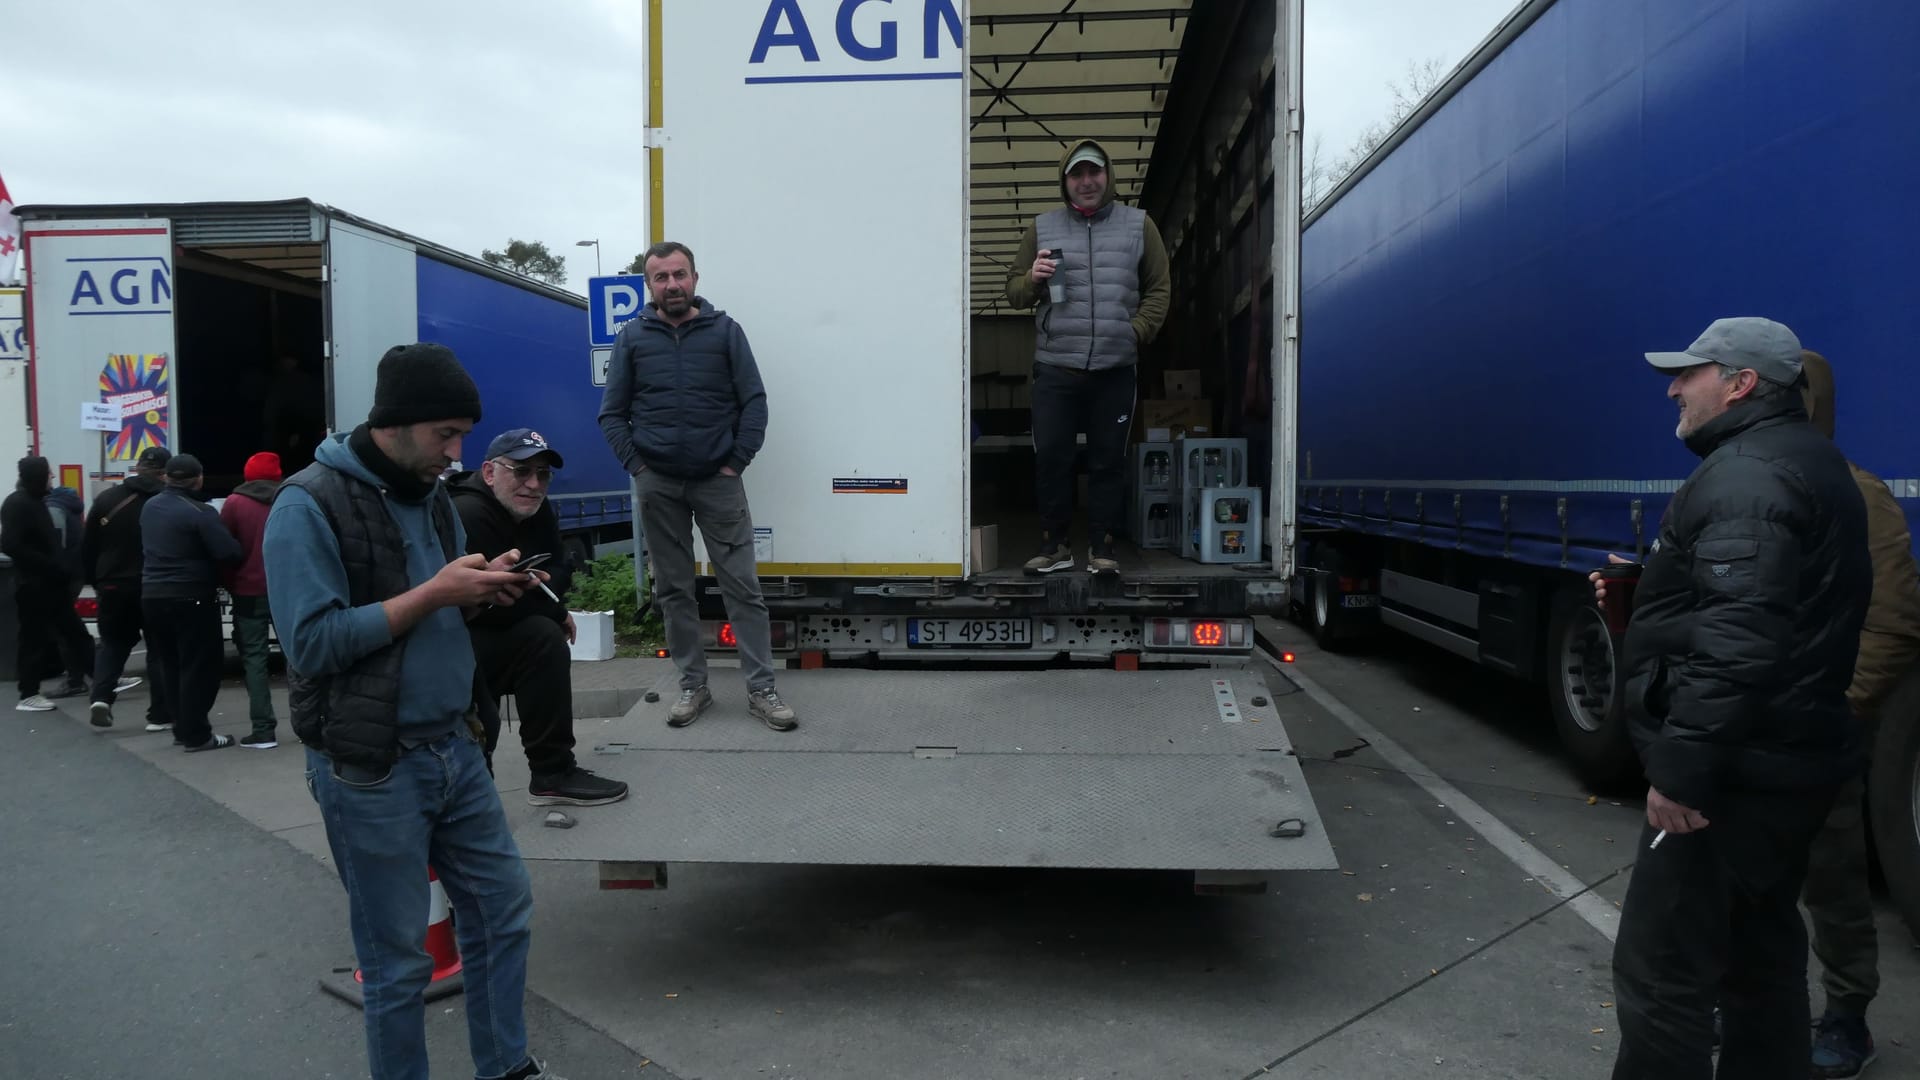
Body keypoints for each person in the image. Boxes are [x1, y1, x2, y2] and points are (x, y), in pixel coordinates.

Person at [264, 342, 566, 1080]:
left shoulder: (434, 499)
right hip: (371, 768)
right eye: (445, 435)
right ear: (395, 425)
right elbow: (311, 643)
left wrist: (486, 587)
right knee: (398, 963)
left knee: (503, 915)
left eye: (463, 434)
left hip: (454, 748)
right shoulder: (307, 505)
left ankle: (505, 1066)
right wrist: (436, 594)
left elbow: (438, 610)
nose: (457, 454)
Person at [1594, 317, 1870, 1079]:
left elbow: (1741, 637)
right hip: (1784, 767)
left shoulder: (1748, 475)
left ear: (1742, 383)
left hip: (1736, 776)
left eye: (1691, 373)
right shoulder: (1806, 461)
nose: (1675, 388)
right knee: (1759, 962)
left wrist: (1683, 769)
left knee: (1662, 975)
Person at [597, 240, 796, 732]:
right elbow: (612, 414)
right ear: (649, 286)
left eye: (679, 274)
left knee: (743, 589)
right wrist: (639, 468)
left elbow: (755, 404)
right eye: (661, 278)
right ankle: (693, 687)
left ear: (695, 278)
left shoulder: (726, 333)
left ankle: (762, 690)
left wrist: (735, 463)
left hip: (718, 482)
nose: (672, 285)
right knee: (674, 590)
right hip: (658, 483)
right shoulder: (632, 339)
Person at [1796, 350, 1920, 1079]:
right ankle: (1743, 999)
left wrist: (1837, 706)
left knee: (1832, 882)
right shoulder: (1742, 482)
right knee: (1735, 880)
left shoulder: (1853, 492)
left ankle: (1847, 1017)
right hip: (1747, 734)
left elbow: (1897, 618)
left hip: (1817, 734)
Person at [1003, 137, 1171, 575]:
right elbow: (1013, 291)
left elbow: (1160, 288)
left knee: (1106, 462)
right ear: (1066, 181)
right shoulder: (1042, 228)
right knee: (1052, 458)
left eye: (1093, 171)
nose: (1086, 181)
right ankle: (1055, 547)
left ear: (1107, 175)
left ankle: (1103, 549)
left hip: (1115, 370)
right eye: (1077, 174)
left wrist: (1133, 333)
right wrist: (1033, 280)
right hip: (1056, 365)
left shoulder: (1140, 226)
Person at [450, 428, 628, 805]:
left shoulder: (537, 506)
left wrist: (546, 601)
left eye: (543, 474)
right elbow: (499, 599)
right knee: (539, 636)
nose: (533, 484)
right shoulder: (469, 512)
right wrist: (548, 604)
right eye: (521, 471)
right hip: (456, 636)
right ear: (489, 472)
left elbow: (560, 569)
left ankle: (552, 772)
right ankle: (470, 797)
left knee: (543, 637)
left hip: (495, 625)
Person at [141, 454, 242, 751]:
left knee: (169, 664)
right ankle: (197, 734)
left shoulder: (150, 507)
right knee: (199, 666)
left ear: (166, 477)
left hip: (152, 595)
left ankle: (180, 728)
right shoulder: (201, 513)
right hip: (191, 595)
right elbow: (229, 553)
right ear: (198, 478)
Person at [82, 446, 171, 728]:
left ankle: (101, 698)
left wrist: (96, 581)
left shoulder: (107, 499)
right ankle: (159, 715)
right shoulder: (165, 501)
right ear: (163, 473)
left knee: (113, 645)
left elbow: (88, 546)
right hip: (152, 584)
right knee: (158, 649)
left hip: (112, 585)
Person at [3, 456, 95, 710]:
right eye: (49, 474)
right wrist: (50, 565)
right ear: (37, 476)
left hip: (50, 584)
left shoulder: (34, 502)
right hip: (34, 585)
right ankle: (28, 693)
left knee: (75, 634)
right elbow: (10, 544)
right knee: (34, 639)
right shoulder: (18, 504)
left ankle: (104, 678)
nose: (52, 478)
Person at [221, 450, 284, 748]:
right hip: (287, 590)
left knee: (254, 659)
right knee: (299, 657)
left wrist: (228, 581)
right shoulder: (289, 499)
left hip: (247, 591)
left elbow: (224, 547)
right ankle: (312, 724)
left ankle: (263, 729)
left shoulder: (234, 503)